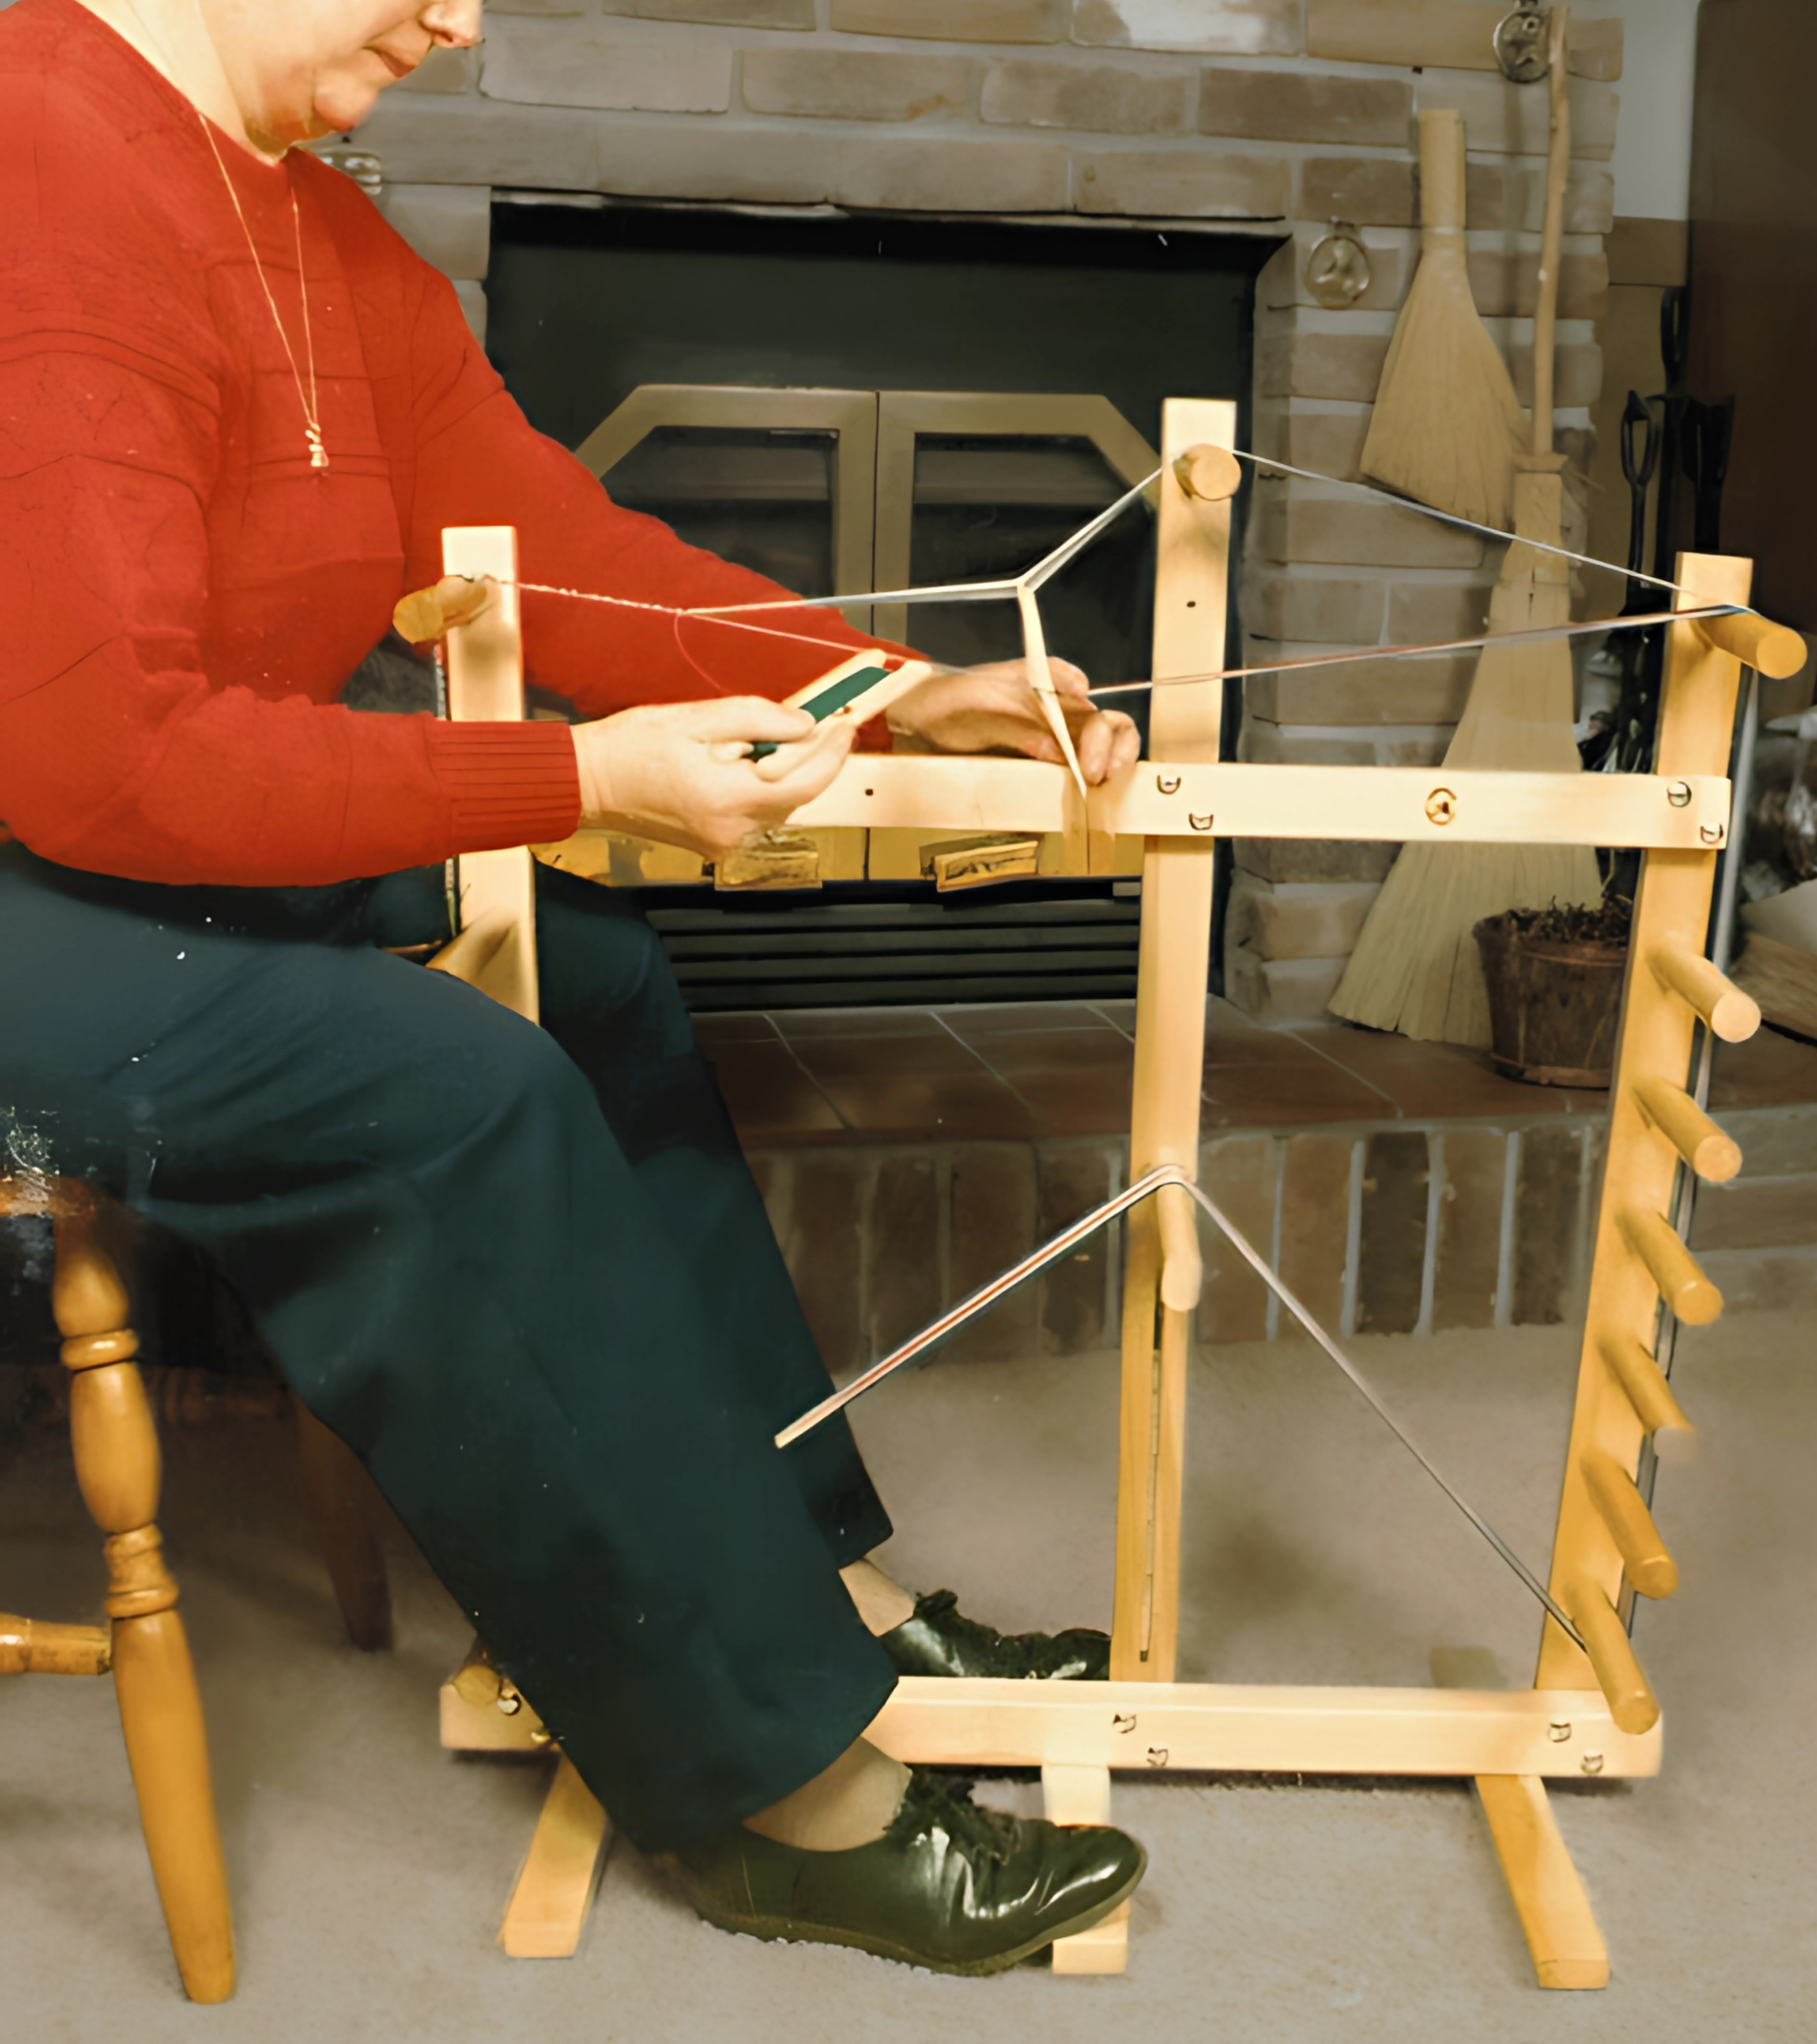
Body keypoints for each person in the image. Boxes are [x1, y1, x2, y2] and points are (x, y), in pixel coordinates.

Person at [0, 0, 1149, 1976]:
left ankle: (808, 1590)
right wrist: (579, 773)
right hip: (36, 863)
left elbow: (550, 545)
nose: (456, 18)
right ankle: (780, 1788)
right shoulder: (37, 149)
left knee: (593, 969)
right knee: (452, 1087)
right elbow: (101, 754)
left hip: (145, 813)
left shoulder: (310, 217)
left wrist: (882, 682)